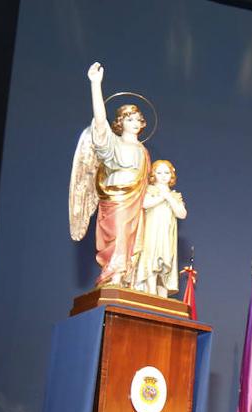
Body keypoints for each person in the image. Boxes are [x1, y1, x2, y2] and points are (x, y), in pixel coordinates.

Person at [81, 62, 150, 287]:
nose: (134, 122)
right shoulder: (112, 144)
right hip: (115, 199)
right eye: (128, 118)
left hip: (135, 202)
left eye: (137, 118)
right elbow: (100, 122)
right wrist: (95, 85)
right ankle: (113, 275)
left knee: (131, 239)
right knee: (118, 236)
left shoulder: (143, 151)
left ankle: (123, 277)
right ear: (120, 123)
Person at [133, 159, 187, 298]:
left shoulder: (174, 195)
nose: (163, 176)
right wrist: (161, 196)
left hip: (167, 234)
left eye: (166, 172)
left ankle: (163, 296)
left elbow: (182, 214)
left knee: (165, 261)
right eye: (159, 172)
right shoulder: (149, 190)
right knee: (152, 259)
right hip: (152, 232)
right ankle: (151, 292)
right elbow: (144, 204)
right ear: (153, 174)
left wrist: (168, 197)